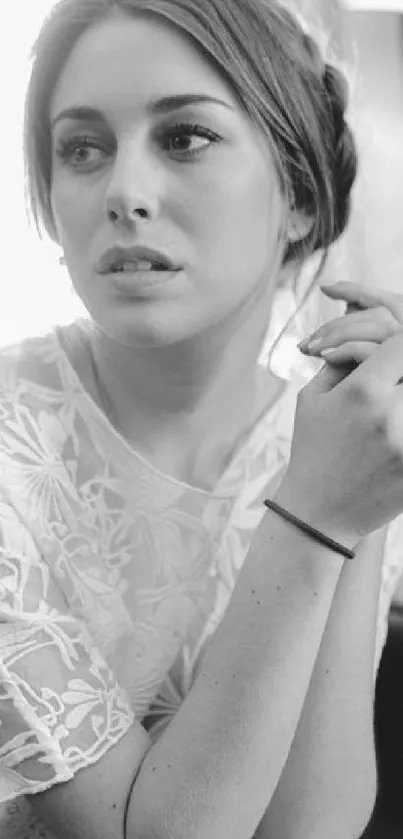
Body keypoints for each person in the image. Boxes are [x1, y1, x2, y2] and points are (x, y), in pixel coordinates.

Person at [1, 1, 403, 838]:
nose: (123, 192)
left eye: (183, 136)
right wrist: (317, 518)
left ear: (299, 194)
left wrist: (363, 502)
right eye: (82, 148)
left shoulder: (344, 443)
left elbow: (309, 829)